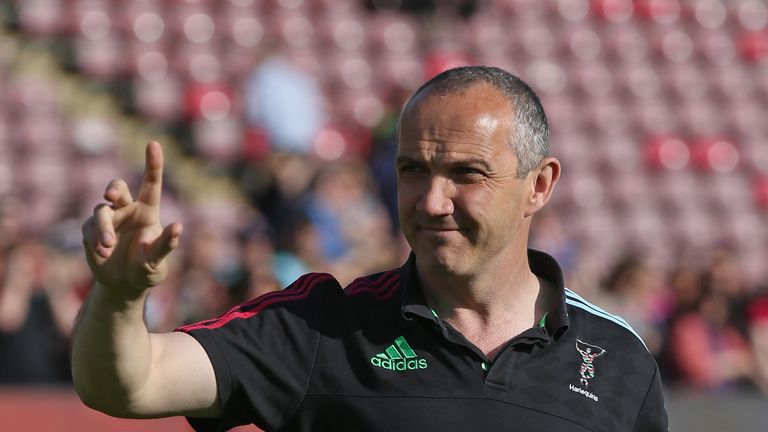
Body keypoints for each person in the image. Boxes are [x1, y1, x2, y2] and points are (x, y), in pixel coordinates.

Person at [73, 66, 668, 431]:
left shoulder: (618, 359)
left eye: (467, 174)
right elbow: (129, 383)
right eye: (413, 170)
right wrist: (118, 297)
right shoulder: (321, 328)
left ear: (539, 185)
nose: (432, 200)